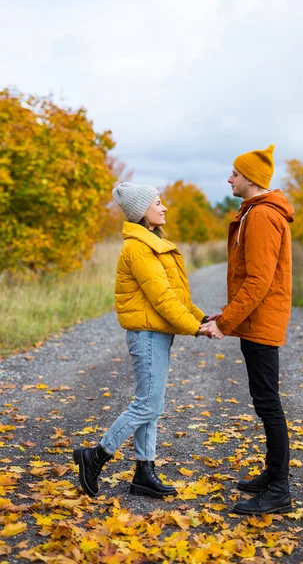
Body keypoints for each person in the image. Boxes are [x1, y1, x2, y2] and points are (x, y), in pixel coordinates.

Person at [73, 183, 209, 499]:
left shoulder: (153, 243)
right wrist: (194, 328)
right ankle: (96, 456)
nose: (164, 208)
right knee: (147, 404)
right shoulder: (138, 247)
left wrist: (201, 318)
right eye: (157, 203)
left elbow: (175, 294)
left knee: (153, 405)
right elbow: (162, 299)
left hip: (156, 333)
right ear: (142, 211)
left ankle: (143, 472)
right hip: (147, 335)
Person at [201, 145, 294, 515]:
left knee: (268, 403)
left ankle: (280, 490)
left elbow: (257, 281)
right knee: (263, 400)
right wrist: (224, 314)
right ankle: (273, 475)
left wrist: (225, 323)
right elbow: (250, 280)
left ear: (251, 179)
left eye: (234, 174)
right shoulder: (256, 213)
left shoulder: (261, 217)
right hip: (255, 321)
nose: (229, 179)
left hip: (262, 323)